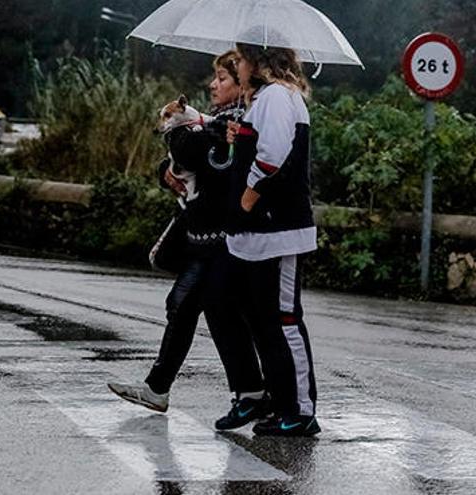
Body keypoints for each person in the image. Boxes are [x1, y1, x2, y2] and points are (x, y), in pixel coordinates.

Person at [108, 51, 269, 431]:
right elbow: (183, 156)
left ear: (243, 82)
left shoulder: (238, 122)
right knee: (204, 311)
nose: (213, 85)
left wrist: (177, 145)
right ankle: (235, 392)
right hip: (202, 237)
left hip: (223, 241)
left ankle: (252, 394)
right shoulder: (217, 123)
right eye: (214, 78)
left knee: (208, 310)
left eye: (223, 79)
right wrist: (167, 167)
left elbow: (196, 154)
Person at [223, 42, 320, 436]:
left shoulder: (278, 96)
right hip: (263, 231)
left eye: (241, 60)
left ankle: (299, 409)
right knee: (264, 320)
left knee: (283, 319)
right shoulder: (266, 99)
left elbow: (274, 154)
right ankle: (281, 402)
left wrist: (248, 194)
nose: (238, 66)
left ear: (259, 63)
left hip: (278, 229)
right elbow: (261, 145)